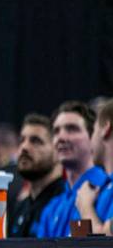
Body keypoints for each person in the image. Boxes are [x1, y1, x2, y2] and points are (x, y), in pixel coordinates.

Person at [36, 101, 108, 238]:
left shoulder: (107, 190)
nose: (61, 137)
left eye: (72, 129)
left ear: (93, 136)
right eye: (56, 131)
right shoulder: (51, 208)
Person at [8, 114, 65, 238]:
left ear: (58, 150)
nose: (24, 147)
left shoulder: (66, 202)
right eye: (21, 140)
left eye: (35, 141)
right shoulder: (20, 207)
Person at [76, 99, 113, 233]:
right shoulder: (97, 190)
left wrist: (85, 207)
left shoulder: (87, 197)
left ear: (105, 129)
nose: (90, 140)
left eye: (93, 131)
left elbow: (108, 245)